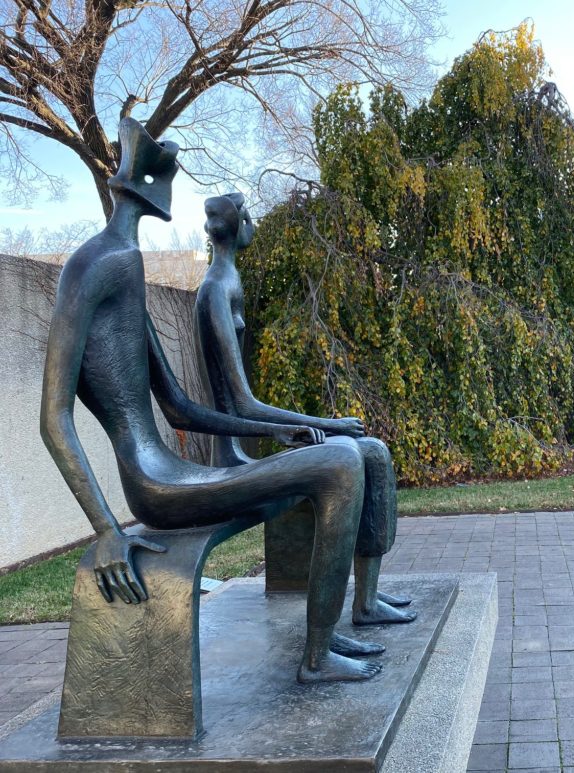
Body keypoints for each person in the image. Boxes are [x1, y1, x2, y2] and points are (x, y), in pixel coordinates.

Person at [40, 118, 378, 683]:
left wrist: (270, 432)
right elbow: (54, 416)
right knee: (341, 463)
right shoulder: (94, 264)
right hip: (156, 485)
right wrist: (105, 531)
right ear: (144, 189)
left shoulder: (126, 265)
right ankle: (317, 658)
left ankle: (342, 627)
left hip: (173, 474)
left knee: (353, 453)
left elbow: (178, 408)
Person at [193, 192, 414, 626]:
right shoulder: (215, 290)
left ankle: (366, 600)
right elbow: (241, 403)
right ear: (236, 227)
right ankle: (326, 638)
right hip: (232, 460)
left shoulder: (230, 282)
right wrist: (327, 424)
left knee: (375, 452)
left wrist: (310, 428)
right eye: (250, 218)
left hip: (250, 448)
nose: (255, 226)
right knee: (355, 453)